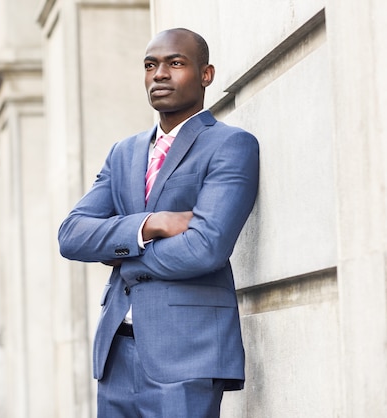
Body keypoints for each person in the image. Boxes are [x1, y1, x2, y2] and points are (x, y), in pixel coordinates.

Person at [58, 28, 259, 417]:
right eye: (151, 65)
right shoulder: (124, 153)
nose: (160, 74)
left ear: (206, 74)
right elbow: (72, 234)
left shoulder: (231, 145)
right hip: (117, 354)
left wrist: (122, 253)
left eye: (175, 63)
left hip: (187, 353)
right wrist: (151, 224)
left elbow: (206, 248)